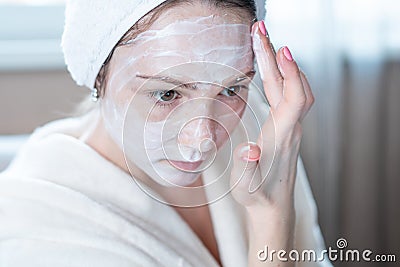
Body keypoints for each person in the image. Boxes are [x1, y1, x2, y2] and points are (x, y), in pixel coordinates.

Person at [0, 0, 332, 266]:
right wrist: (271, 217)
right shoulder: (31, 226)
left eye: (232, 89)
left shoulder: (260, 133)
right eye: (167, 95)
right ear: (98, 75)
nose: (203, 137)